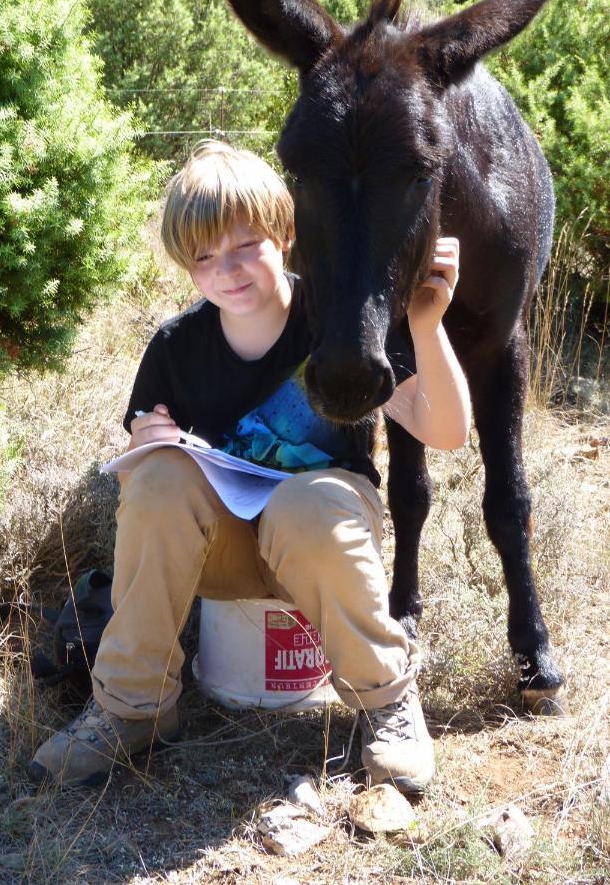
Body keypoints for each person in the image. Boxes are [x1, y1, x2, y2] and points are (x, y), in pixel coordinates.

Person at [29, 141, 470, 790]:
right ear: (187, 266)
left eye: (244, 246)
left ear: (285, 235)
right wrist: (146, 446)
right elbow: (138, 487)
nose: (227, 271)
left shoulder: (338, 322)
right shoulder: (178, 347)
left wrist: (426, 326)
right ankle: (131, 708)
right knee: (158, 477)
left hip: (322, 543)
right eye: (205, 257)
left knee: (307, 500)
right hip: (225, 555)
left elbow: (448, 432)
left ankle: (385, 704)